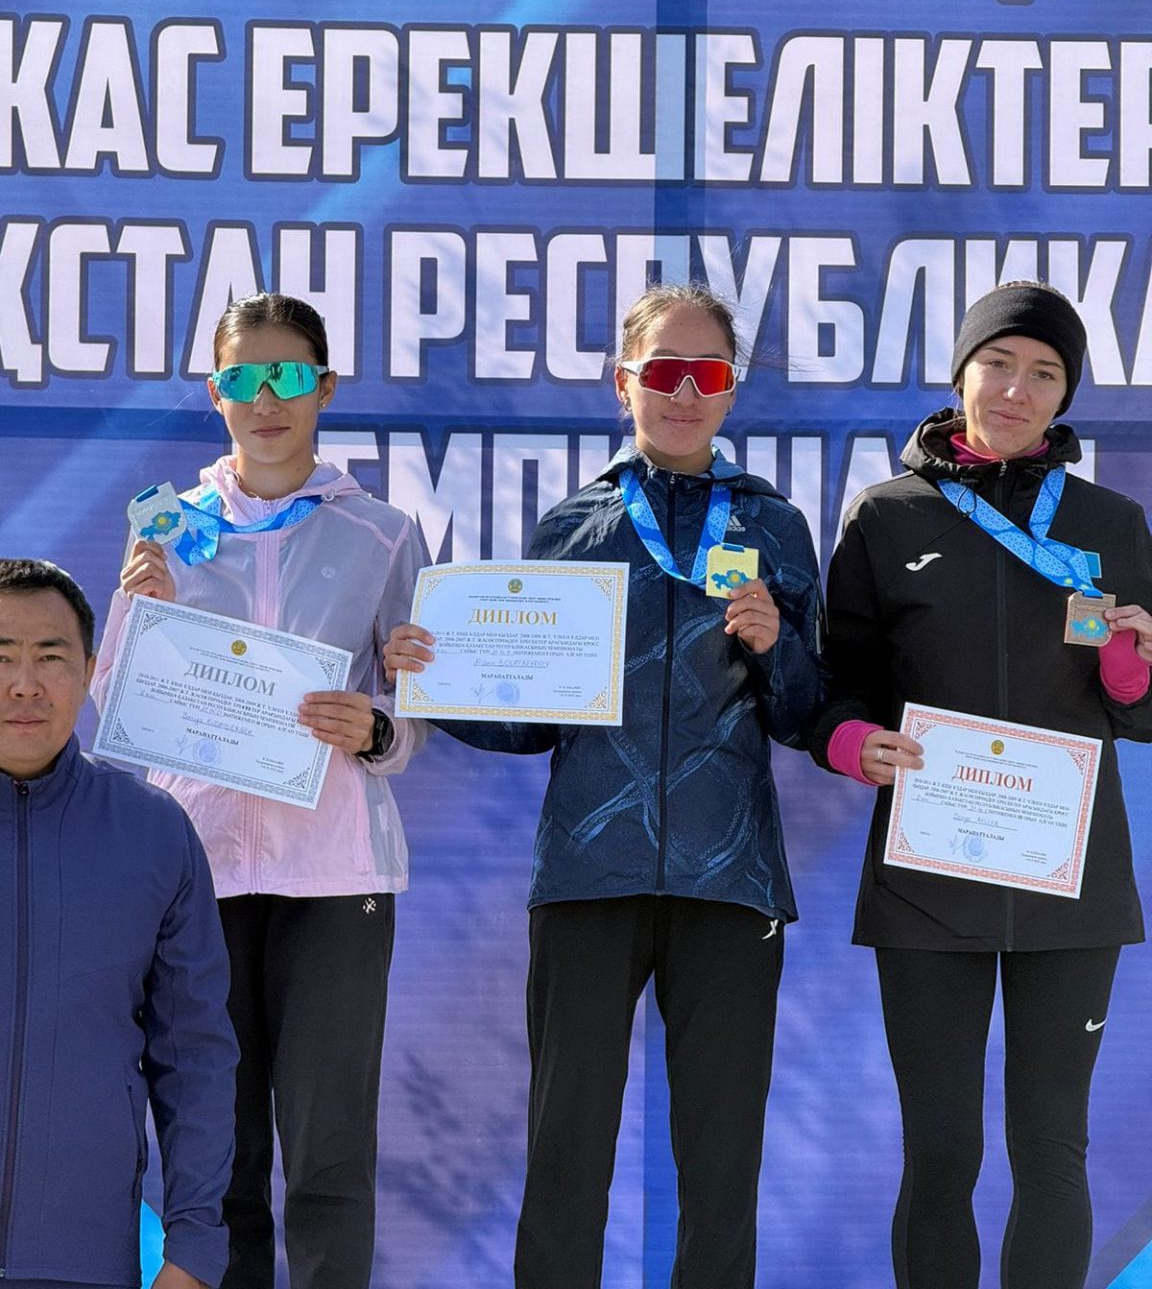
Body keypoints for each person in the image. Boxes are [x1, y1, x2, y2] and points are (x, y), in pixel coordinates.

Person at [385, 283, 826, 1289]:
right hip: (589, 871)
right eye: (663, 371)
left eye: (706, 373)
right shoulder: (574, 525)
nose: (684, 393)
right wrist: (432, 682)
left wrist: (777, 649)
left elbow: (807, 714)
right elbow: (531, 719)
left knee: (721, 1162)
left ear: (731, 390)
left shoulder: (775, 525)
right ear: (622, 383)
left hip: (730, 879)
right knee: (566, 1150)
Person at [808, 282, 1152, 1289]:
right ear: (961, 374)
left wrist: (1131, 672)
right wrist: (850, 743)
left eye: (1044, 373)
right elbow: (838, 687)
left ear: (1066, 396)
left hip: (1069, 880)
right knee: (943, 1150)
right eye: (997, 363)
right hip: (928, 879)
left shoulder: (1110, 521)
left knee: (1052, 1148)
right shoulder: (887, 516)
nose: (1016, 389)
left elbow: (1143, 713)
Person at [93, 294, 428, 1289]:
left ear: (325, 388)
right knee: (218, 1155)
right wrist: (138, 616)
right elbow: (113, 706)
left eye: (287, 375)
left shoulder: (383, 532)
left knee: (328, 1157)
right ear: (216, 393)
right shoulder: (166, 528)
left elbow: (415, 708)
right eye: (244, 377)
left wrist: (377, 728)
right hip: (196, 870)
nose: (266, 398)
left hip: (336, 875)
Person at [0, 558, 237, 1289]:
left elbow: (194, 1055)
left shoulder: (153, 831)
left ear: (91, 671)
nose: (24, 685)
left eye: (50, 657)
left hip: (85, 1262)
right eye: (1, 657)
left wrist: (194, 1248)